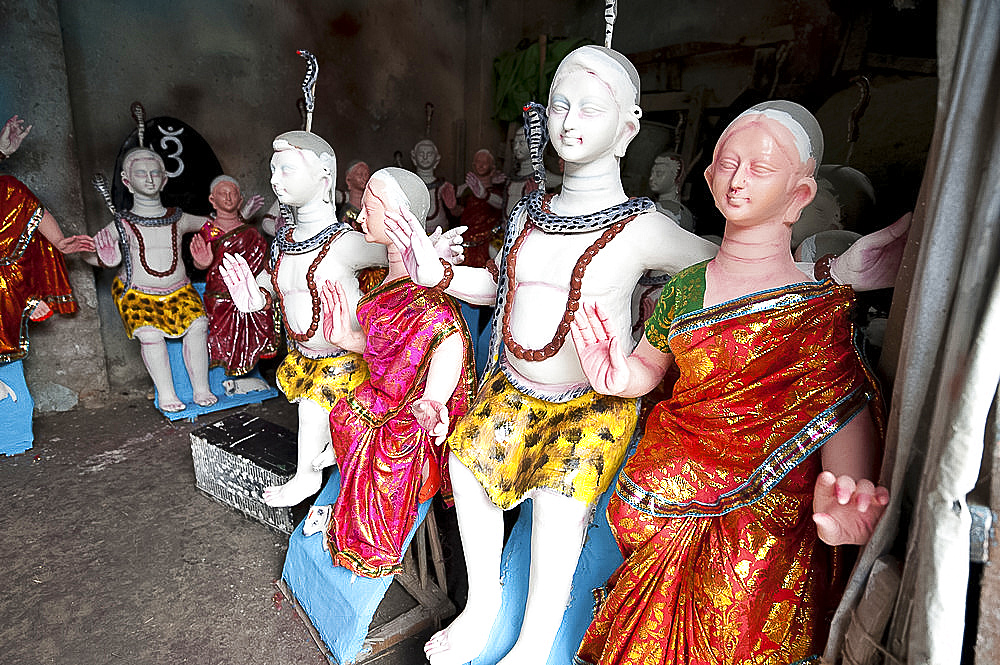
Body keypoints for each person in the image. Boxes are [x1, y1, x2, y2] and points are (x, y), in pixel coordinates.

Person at [386, 46, 906, 665]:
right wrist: (438, 275)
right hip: (514, 390)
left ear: (628, 127)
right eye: (558, 106)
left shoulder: (644, 226)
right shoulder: (527, 212)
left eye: (590, 108)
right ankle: (482, 608)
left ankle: (531, 645)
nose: (569, 121)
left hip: (590, 404)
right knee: (468, 473)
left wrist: (826, 268)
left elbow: (726, 266)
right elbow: (498, 286)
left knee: (559, 513)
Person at [571, 101, 889, 665]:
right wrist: (618, 374)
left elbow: (837, 402)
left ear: (800, 195)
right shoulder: (684, 290)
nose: (738, 180)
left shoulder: (814, 309)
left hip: (768, 525)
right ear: (709, 174)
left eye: (761, 168)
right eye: (726, 162)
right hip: (667, 498)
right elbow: (654, 367)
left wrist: (848, 492)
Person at [220, 131, 465, 508]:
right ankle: (324, 459)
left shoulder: (345, 242)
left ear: (323, 173)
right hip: (304, 356)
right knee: (310, 405)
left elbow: (399, 254)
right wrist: (257, 298)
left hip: (349, 360)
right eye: (273, 170)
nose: (274, 179)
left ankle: (309, 475)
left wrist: (432, 251)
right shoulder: (284, 242)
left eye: (286, 169)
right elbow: (276, 281)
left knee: (315, 406)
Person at [318, 167, 476, 577]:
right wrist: (347, 339)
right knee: (345, 413)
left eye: (369, 204)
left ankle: (374, 542)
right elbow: (389, 349)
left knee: (383, 453)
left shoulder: (427, 294)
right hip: (380, 395)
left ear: (398, 216)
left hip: (413, 411)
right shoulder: (384, 278)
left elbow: (448, 340)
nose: (358, 214)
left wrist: (436, 399)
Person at [85, 147, 217, 412]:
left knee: (199, 325)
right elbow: (91, 252)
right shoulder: (122, 223)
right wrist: (105, 257)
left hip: (179, 290)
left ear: (165, 180)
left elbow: (212, 226)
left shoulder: (177, 217)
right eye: (141, 174)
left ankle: (201, 388)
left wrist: (210, 249)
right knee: (150, 335)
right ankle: (167, 393)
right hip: (139, 293)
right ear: (126, 182)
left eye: (155, 173)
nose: (149, 179)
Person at [189, 175, 278, 379]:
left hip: (247, 293)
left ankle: (251, 373)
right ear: (212, 200)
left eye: (233, 193)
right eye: (223, 193)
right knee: (218, 330)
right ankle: (223, 375)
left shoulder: (251, 233)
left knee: (259, 311)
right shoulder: (208, 231)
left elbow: (261, 265)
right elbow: (200, 261)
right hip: (219, 295)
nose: (228, 197)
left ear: (240, 200)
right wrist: (202, 262)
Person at [453, 149, 505, 268]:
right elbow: (457, 211)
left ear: (492, 166)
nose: (481, 165)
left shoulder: (498, 189)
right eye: (478, 162)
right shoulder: (466, 190)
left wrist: (485, 195)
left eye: (485, 162)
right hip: (467, 239)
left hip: (488, 238)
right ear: (473, 165)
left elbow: (502, 204)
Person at [410, 138, 458, 234]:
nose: (425, 157)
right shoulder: (409, 183)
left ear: (437, 159)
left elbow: (455, 210)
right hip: (415, 233)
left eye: (429, 154)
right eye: (421, 154)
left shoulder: (443, 186)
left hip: (440, 231)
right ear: (414, 158)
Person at [648, 151, 695, 232]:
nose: (651, 178)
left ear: (675, 177)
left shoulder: (665, 210)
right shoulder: (653, 206)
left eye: (659, 173)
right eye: (652, 173)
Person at [336, 160, 370, 230]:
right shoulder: (347, 213)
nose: (364, 178)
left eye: (366, 174)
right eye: (359, 174)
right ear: (348, 180)